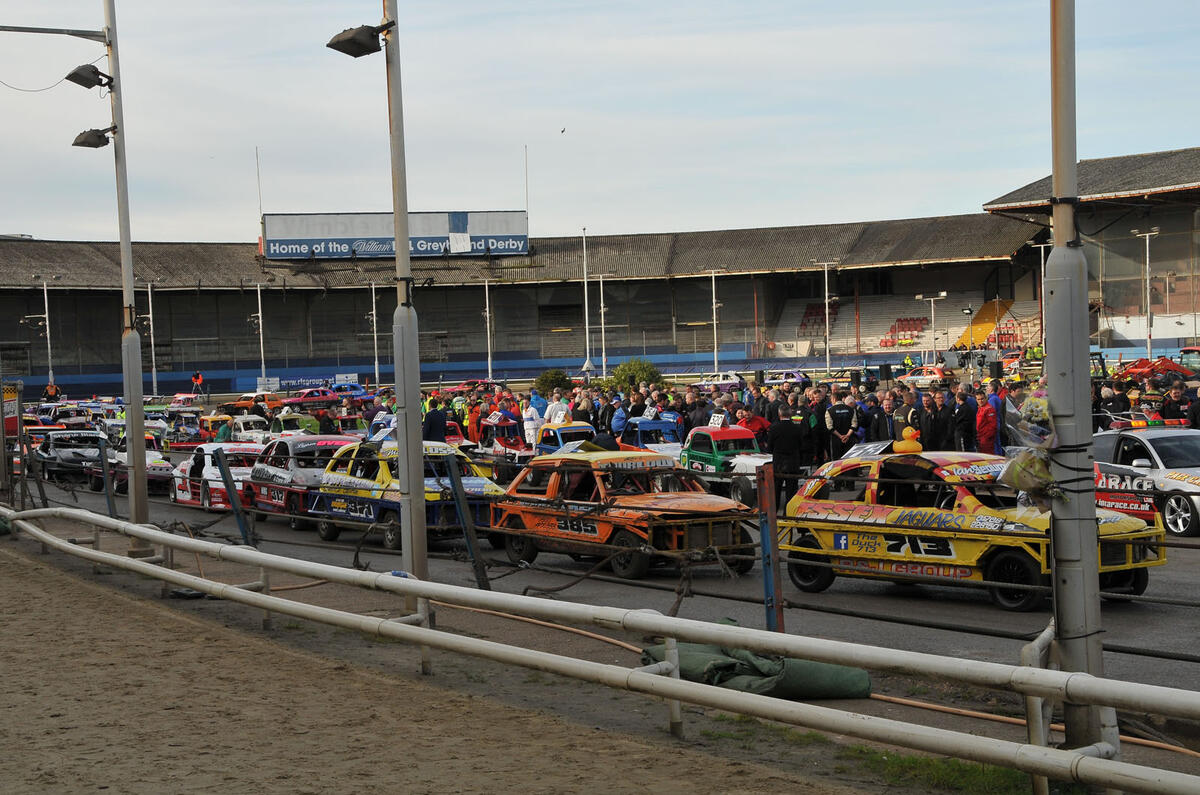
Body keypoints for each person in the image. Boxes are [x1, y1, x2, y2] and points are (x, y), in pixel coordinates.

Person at [767, 406, 808, 513]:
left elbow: (769, 447)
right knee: (791, 490)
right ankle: (788, 513)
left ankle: (773, 513)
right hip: (793, 462)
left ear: (779, 414)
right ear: (790, 415)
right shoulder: (797, 428)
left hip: (778, 463)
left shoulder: (774, 427)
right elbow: (801, 445)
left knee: (776, 489)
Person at [825, 391, 857, 460]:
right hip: (849, 439)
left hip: (835, 440)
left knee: (836, 462)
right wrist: (847, 435)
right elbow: (854, 424)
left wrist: (840, 436)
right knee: (850, 461)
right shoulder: (851, 409)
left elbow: (829, 427)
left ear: (833, 399)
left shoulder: (829, 410)